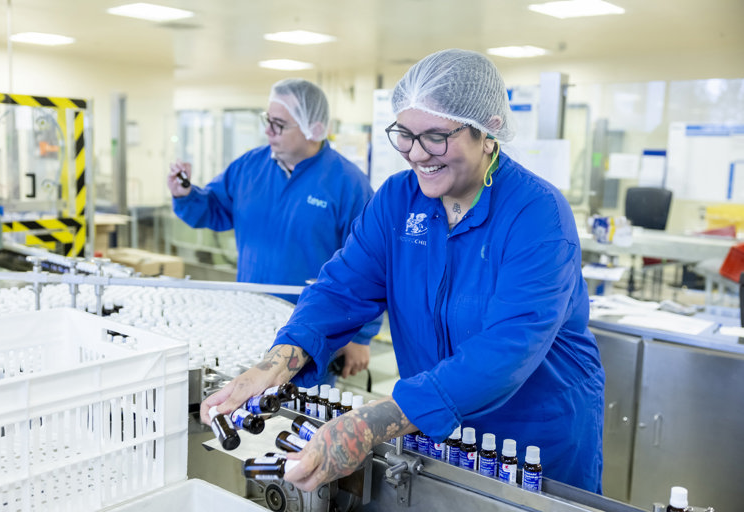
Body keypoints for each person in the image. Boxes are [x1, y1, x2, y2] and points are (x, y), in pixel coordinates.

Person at [201, 49, 605, 493]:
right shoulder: (398, 200)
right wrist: (275, 364)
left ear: (488, 132)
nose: (416, 154)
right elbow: (341, 289)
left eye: (435, 136)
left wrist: (370, 424)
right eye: (405, 135)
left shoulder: (537, 215)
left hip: (533, 440)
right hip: (433, 428)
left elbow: (508, 348)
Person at [168, 78, 379, 380]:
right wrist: (184, 195)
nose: (268, 131)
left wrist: (361, 337)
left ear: (313, 128)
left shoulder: (347, 184)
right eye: (267, 121)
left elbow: (371, 264)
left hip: (311, 331)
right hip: (247, 321)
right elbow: (213, 210)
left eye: (279, 124)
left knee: (297, 415)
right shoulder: (249, 168)